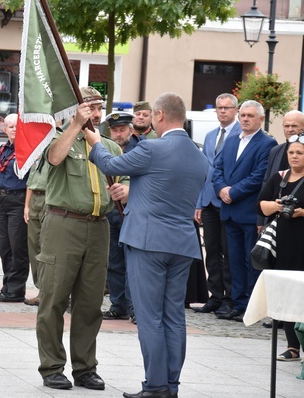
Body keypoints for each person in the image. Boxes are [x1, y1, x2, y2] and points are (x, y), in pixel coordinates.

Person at [85, 92, 207, 398]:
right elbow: (166, 190)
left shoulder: (152, 148)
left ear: (161, 116)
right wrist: (133, 194)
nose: (151, 120)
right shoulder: (199, 155)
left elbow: (111, 161)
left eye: (152, 115)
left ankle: (155, 385)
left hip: (148, 242)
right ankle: (171, 385)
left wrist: (93, 141)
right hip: (183, 243)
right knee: (174, 316)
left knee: (150, 316)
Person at [37, 86, 125, 391]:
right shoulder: (61, 137)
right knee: (54, 299)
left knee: (90, 303)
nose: (96, 114)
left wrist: (124, 191)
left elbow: (125, 184)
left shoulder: (110, 147)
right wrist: (75, 125)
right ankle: (52, 367)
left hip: (99, 226)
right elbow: (54, 158)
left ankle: (85, 367)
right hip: (64, 225)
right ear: (75, 109)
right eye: (89, 107)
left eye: (99, 108)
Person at [212, 100, 276, 322]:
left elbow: (260, 176)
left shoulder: (267, 143)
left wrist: (233, 191)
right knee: (234, 260)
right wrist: (221, 189)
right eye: (243, 115)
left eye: (250, 116)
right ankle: (238, 303)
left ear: (260, 119)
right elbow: (217, 168)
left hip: (249, 211)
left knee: (251, 261)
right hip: (229, 210)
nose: (246, 119)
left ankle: (252, 304)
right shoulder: (231, 141)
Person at [256, 133, 304, 362]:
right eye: (291, 152)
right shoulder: (279, 177)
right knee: (286, 293)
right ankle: (292, 346)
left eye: (300, 153)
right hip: (282, 244)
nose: (294, 156)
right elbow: (260, 206)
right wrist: (276, 205)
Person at [193, 93, 240, 317]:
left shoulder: (242, 135)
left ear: (236, 110)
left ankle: (230, 298)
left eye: (227, 108)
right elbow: (204, 170)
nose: (222, 111)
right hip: (209, 202)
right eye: (219, 108)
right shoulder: (211, 135)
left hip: (229, 202)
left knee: (228, 253)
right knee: (211, 251)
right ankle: (215, 296)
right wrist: (199, 202)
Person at [101, 111, 141, 323]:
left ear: (131, 130)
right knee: (114, 261)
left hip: (132, 211)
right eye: (114, 130)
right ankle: (119, 306)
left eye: (122, 130)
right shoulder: (106, 147)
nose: (118, 134)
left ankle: (135, 308)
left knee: (133, 262)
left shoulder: (142, 147)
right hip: (110, 211)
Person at [0, 113, 29, 303]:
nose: (14, 129)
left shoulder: (28, 150)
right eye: (10, 126)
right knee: (4, 247)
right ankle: (7, 285)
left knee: (17, 247)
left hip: (18, 199)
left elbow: (31, 181)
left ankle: (16, 289)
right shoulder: (2, 149)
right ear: (4, 129)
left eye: (17, 126)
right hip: (1, 199)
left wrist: (27, 205)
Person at [23, 156, 48, 306]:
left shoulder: (54, 151)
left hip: (49, 197)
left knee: (47, 246)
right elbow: (31, 182)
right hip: (35, 199)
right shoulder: (37, 153)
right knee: (34, 246)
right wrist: (27, 205)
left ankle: (47, 291)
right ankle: (40, 288)